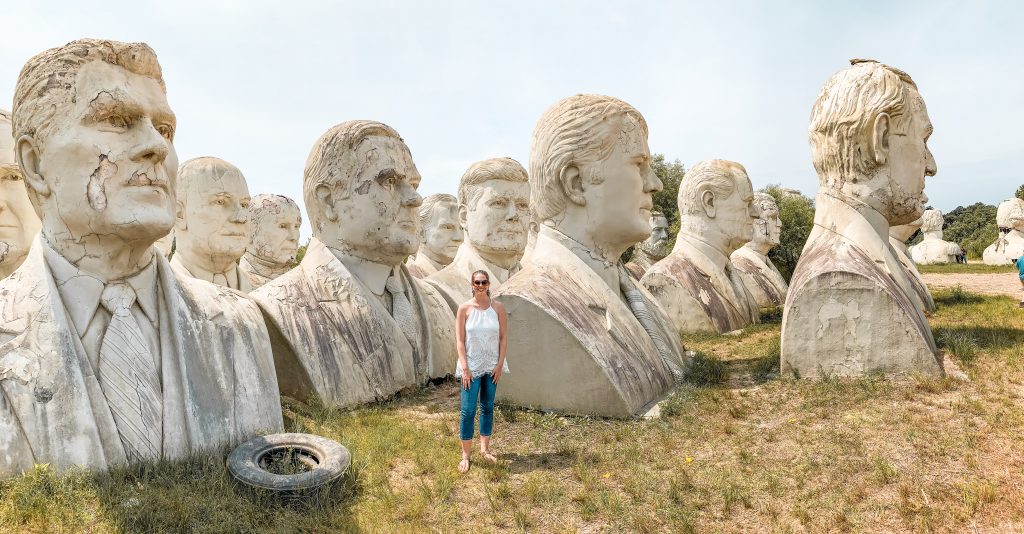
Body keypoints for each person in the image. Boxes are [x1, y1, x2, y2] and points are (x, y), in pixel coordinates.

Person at [0, 39, 282, 478]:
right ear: (36, 165)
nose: (157, 146)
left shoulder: (241, 324)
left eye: (165, 129)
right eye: (117, 120)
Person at [455, 270, 509, 473]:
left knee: (487, 407)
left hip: (492, 366)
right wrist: (465, 368)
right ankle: (465, 455)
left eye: (483, 282)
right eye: (476, 282)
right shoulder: (464, 309)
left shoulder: (498, 308)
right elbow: (460, 341)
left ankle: (485, 450)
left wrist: (499, 364)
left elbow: (503, 338)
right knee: (468, 411)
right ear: (471, 284)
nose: (480, 285)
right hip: (471, 367)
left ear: (488, 284)